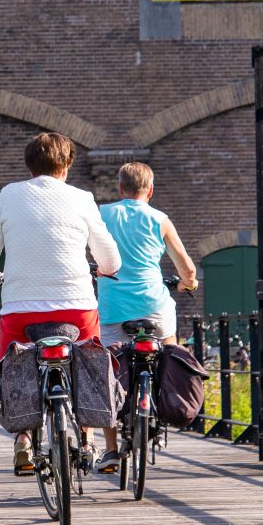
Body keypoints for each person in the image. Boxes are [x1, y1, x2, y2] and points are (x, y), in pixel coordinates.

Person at [0, 132, 121, 472]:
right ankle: (86, 436)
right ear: (67, 166)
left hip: (21, 309)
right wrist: (107, 269)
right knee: (86, 362)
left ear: (29, 166)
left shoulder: (9, 195)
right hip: (77, 306)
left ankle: (23, 438)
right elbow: (110, 259)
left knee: (16, 364)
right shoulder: (82, 198)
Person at [94, 161, 197, 473]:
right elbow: (187, 268)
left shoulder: (102, 214)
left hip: (112, 308)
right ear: (149, 190)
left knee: (108, 369)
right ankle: (167, 403)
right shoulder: (160, 219)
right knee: (169, 350)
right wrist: (188, 283)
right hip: (155, 306)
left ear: (120, 189)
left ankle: (111, 449)